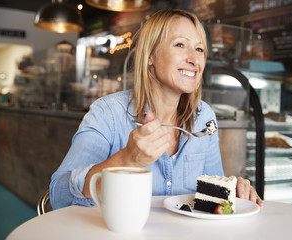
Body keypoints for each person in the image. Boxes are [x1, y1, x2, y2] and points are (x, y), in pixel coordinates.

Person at [50, 9, 263, 210]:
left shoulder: (203, 117)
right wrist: (127, 160)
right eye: (180, 45)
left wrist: (232, 191)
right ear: (150, 55)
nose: (194, 58)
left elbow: (212, 194)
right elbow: (59, 197)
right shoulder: (108, 113)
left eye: (199, 49)